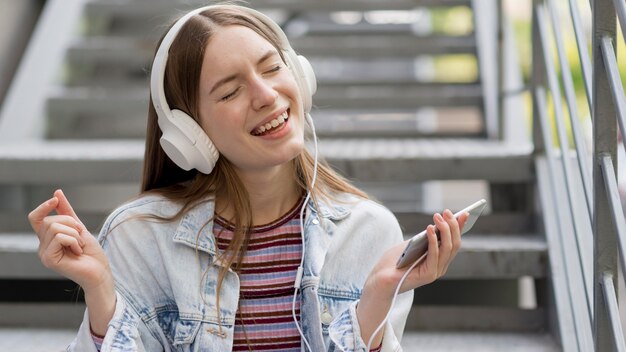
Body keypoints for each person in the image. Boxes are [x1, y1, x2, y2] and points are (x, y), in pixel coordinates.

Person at [28, 4, 467, 351]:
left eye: (272, 68)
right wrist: (102, 294)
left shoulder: (370, 232)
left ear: (300, 75)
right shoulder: (137, 238)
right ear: (190, 135)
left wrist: (376, 301)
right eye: (231, 90)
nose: (266, 95)